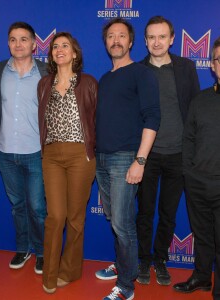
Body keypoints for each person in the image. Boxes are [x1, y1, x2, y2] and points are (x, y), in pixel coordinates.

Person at [95, 18, 160, 300]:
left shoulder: (141, 74)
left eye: (122, 35)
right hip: (102, 159)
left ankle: (126, 286)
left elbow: (153, 117)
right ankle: (125, 265)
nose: (116, 40)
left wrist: (140, 160)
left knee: (123, 224)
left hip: (126, 159)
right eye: (111, 36)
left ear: (131, 42)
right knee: (115, 220)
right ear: (106, 42)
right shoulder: (106, 79)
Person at [136, 16, 200, 285]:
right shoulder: (137, 70)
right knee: (144, 212)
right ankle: (142, 260)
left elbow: (195, 109)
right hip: (146, 156)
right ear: (145, 40)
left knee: (168, 213)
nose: (157, 42)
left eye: (162, 37)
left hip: (178, 154)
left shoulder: (186, 67)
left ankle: (161, 260)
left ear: (172, 39)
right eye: (151, 37)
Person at [38, 32, 97, 294]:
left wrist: (91, 152)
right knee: (55, 216)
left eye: (65, 46)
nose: (59, 50)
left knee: (75, 218)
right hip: (51, 155)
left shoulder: (88, 83)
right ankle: (49, 274)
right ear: (51, 54)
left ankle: (70, 270)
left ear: (75, 53)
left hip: (79, 155)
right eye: (55, 47)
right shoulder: (43, 84)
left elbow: (97, 121)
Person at [0, 22, 47, 274]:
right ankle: (23, 247)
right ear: (8, 43)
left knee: (37, 207)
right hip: (4, 152)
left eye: (24, 39)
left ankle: (42, 252)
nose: (18, 44)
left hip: (36, 152)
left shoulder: (47, 72)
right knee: (17, 205)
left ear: (34, 44)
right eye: (13, 39)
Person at [172, 37, 220, 299]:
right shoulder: (200, 100)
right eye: (219, 59)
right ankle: (202, 277)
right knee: (202, 236)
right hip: (198, 183)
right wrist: (189, 172)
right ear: (212, 65)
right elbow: (188, 138)